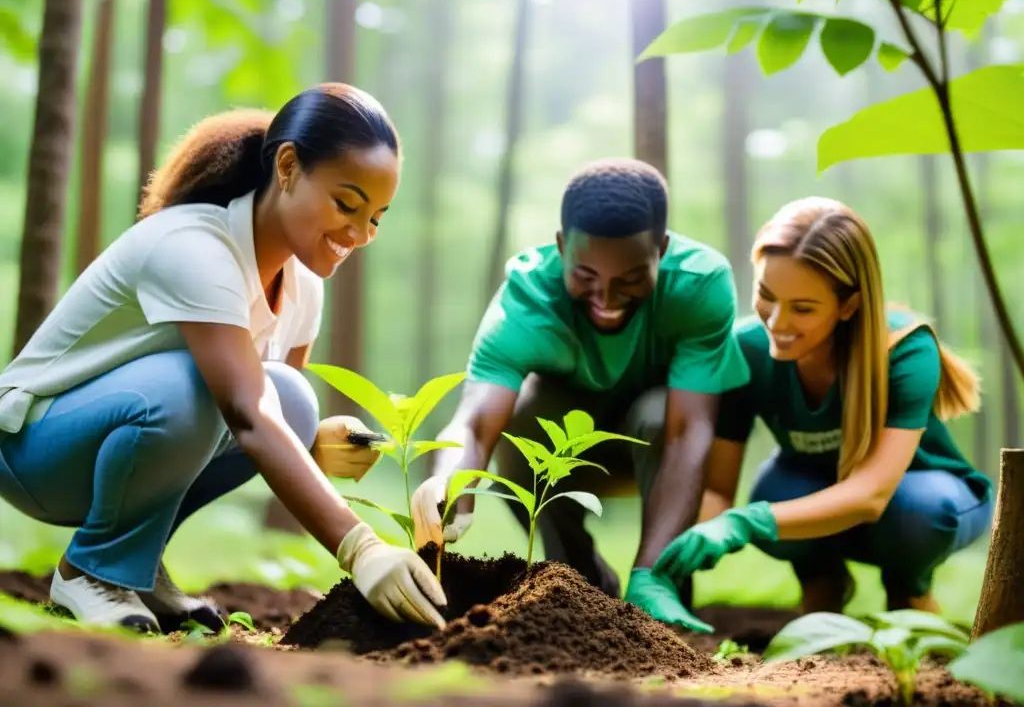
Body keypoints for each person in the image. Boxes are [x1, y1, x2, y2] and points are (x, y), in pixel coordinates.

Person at [0, 84, 447, 634]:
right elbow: (243, 409)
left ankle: (133, 568)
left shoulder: (304, 286)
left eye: (376, 217)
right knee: (201, 386)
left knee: (294, 399)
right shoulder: (196, 248)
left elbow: (267, 416)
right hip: (33, 446)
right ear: (287, 166)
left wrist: (315, 444)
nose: (357, 234)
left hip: (121, 439)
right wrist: (361, 548)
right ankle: (93, 571)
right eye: (346, 204)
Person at [409, 158, 750, 630]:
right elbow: (476, 423)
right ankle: (577, 579)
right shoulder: (528, 299)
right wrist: (446, 490)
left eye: (630, 279)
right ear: (561, 246)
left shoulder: (699, 286)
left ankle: (663, 590)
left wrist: (652, 575)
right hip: (569, 442)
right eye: (586, 276)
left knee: (657, 413)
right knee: (526, 411)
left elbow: (688, 428)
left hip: (655, 447)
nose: (607, 299)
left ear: (662, 249)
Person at [637, 196, 993, 630]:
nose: (778, 322)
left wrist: (748, 523)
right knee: (774, 488)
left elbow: (871, 494)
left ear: (848, 305)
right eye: (767, 296)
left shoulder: (902, 348)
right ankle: (822, 585)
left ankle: (909, 589)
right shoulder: (745, 351)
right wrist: (658, 566)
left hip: (917, 501)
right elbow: (717, 492)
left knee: (918, 511)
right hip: (815, 495)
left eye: (803, 308)